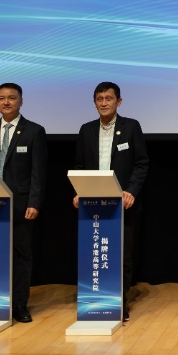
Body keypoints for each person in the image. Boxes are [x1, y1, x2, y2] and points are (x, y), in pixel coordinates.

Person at [72, 82, 149, 323]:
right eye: (99, 99)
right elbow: (80, 166)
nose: (104, 103)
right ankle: (95, 300)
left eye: (108, 98)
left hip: (122, 204)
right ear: (94, 102)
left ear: (119, 101)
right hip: (93, 204)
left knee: (121, 256)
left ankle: (119, 303)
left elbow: (141, 163)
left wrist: (131, 191)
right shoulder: (86, 130)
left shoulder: (131, 127)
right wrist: (79, 191)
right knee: (95, 253)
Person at [0, 83, 47, 323]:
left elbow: (38, 172)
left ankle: (19, 304)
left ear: (21, 101)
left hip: (21, 205)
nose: (6, 102)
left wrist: (34, 202)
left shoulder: (34, 131)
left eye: (12, 98)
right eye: (1, 98)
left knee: (21, 255)